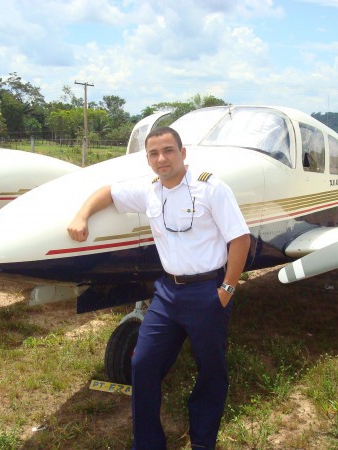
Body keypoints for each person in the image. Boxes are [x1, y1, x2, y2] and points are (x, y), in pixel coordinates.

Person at [67, 126, 250, 449]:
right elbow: (107, 192)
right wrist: (82, 215)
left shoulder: (211, 189)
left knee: (211, 369)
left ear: (182, 153)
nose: (161, 158)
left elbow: (240, 238)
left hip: (206, 292)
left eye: (168, 150)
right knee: (143, 364)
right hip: (167, 293)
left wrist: (227, 290)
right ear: (148, 160)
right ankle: (148, 443)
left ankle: (203, 441)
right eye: (154, 153)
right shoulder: (151, 190)